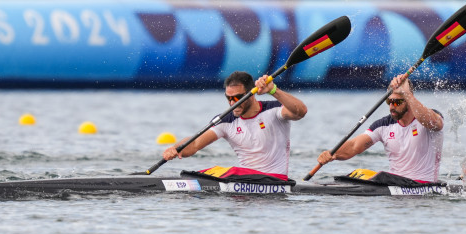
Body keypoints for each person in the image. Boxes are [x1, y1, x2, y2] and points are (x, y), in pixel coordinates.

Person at [161, 71, 307, 179]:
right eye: (229, 98)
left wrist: (273, 90)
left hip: (275, 179)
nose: (232, 103)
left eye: (237, 98)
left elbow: (300, 111)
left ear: (252, 94)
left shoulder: (275, 110)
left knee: (228, 172)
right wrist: (176, 148)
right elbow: (195, 144)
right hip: (243, 181)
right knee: (205, 173)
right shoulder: (226, 120)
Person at [316, 74, 444, 182]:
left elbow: (434, 122)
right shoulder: (383, 125)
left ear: (409, 100)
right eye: (389, 101)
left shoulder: (429, 118)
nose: (391, 107)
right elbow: (355, 146)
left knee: (379, 176)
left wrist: (407, 93)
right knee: (357, 173)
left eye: (397, 102)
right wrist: (333, 154)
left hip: (422, 184)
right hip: (394, 182)